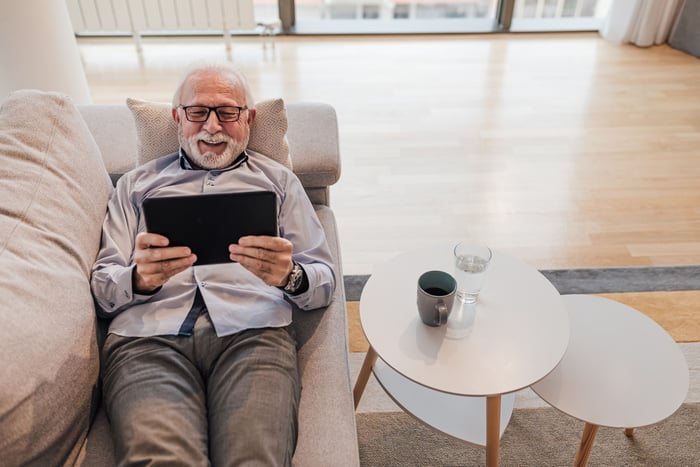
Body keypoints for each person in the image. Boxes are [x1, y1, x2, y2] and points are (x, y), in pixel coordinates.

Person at [90, 62, 336, 466]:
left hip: (254, 334)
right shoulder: (134, 187)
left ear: (249, 119)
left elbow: (324, 279)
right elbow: (101, 287)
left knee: (254, 458)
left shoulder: (278, 183)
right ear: (177, 118)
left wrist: (289, 277)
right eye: (198, 112)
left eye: (227, 112)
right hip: (146, 341)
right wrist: (137, 280)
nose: (212, 127)